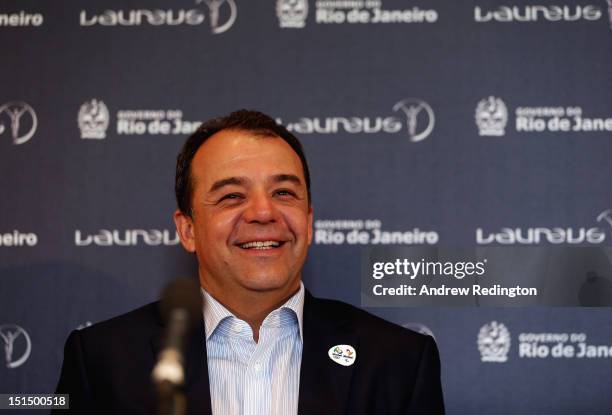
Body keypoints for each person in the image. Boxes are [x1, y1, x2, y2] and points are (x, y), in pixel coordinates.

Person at [54, 110, 444, 414]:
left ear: (309, 224)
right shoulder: (102, 362)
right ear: (187, 229)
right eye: (232, 196)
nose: (263, 212)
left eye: (283, 192)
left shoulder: (399, 362)